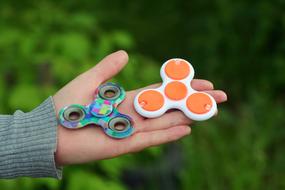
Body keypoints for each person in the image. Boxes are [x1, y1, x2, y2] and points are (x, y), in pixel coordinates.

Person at [0, 50, 227, 179]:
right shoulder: (105, 112)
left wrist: (32, 135)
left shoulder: (177, 88)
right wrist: (44, 133)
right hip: (102, 116)